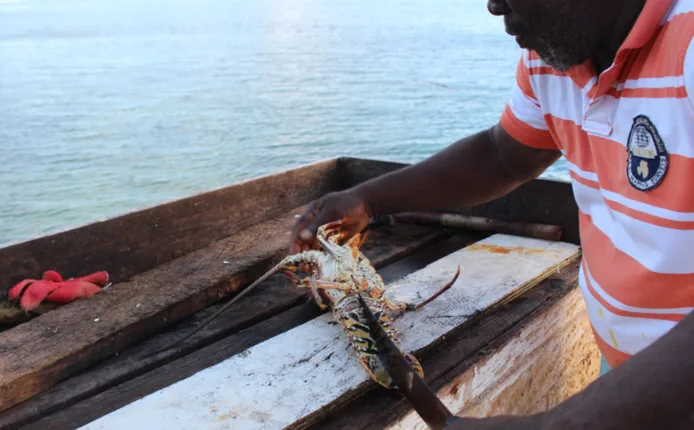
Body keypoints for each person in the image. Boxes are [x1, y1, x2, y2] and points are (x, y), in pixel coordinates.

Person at [289, 0, 694, 428]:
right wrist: (367, 200)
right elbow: (503, 156)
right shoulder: (554, 57)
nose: (493, 5)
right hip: (631, 380)